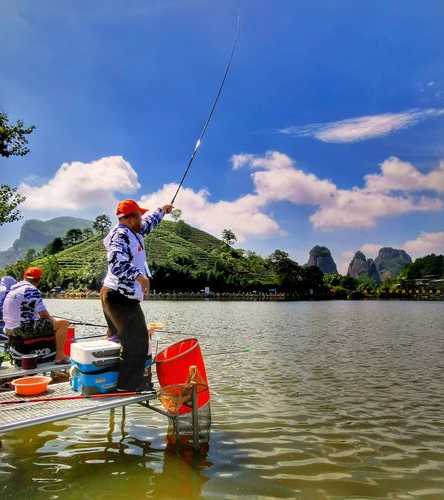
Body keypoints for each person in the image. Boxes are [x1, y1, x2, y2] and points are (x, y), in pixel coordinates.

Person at [101, 199, 173, 391]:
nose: (143, 218)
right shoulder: (121, 235)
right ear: (131, 218)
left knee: (119, 338)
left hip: (114, 295)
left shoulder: (134, 230)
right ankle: (128, 385)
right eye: (139, 215)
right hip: (120, 298)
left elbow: (149, 221)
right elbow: (116, 262)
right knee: (138, 342)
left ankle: (114, 378)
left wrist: (162, 211)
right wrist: (140, 277)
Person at [3, 266, 70, 363]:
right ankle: (60, 356)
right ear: (39, 280)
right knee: (63, 323)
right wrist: (55, 322)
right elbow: (44, 315)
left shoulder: (13, 290)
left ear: (24, 277)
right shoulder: (31, 290)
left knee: (53, 323)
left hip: (9, 330)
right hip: (21, 329)